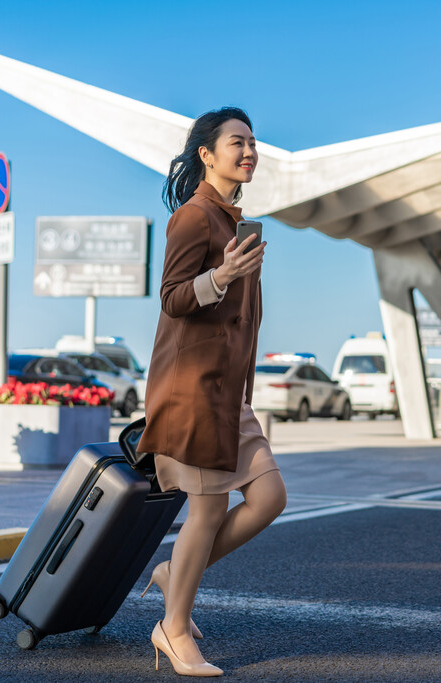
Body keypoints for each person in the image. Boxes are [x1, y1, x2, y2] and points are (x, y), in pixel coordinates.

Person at [136, 107, 287, 677]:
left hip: (230, 394)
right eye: (237, 142)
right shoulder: (195, 218)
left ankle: (175, 575)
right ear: (206, 153)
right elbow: (173, 297)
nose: (249, 151)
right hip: (194, 388)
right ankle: (173, 630)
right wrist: (220, 276)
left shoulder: (232, 220)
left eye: (253, 143)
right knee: (209, 507)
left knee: (269, 497)